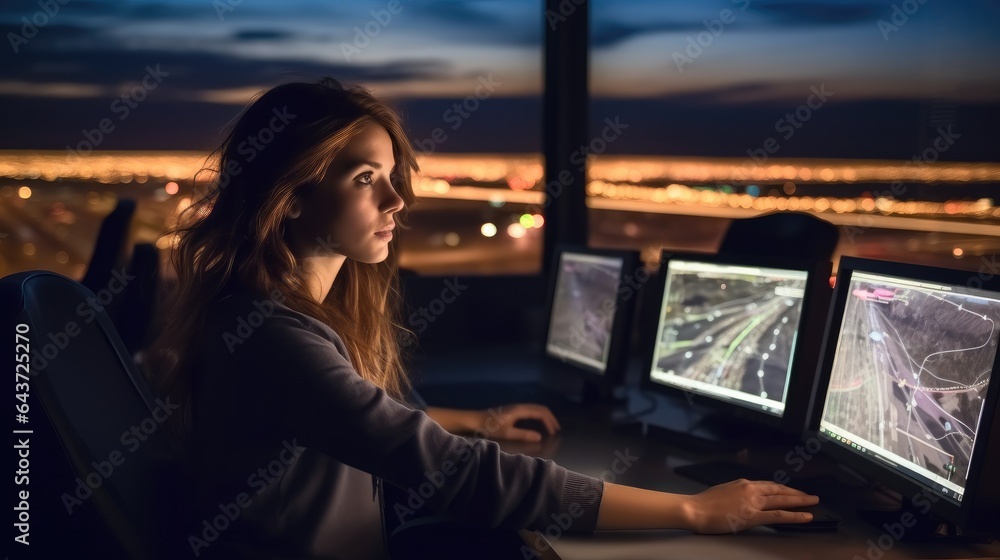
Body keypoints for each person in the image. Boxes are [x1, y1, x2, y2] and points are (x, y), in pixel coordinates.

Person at [143, 77, 818, 559]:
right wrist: (693, 510)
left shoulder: (269, 315)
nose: (397, 198)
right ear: (290, 199)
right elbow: (458, 473)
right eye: (364, 179)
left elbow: (361, 418)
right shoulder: (272, 337)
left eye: (392, 174)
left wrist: (480, 422)